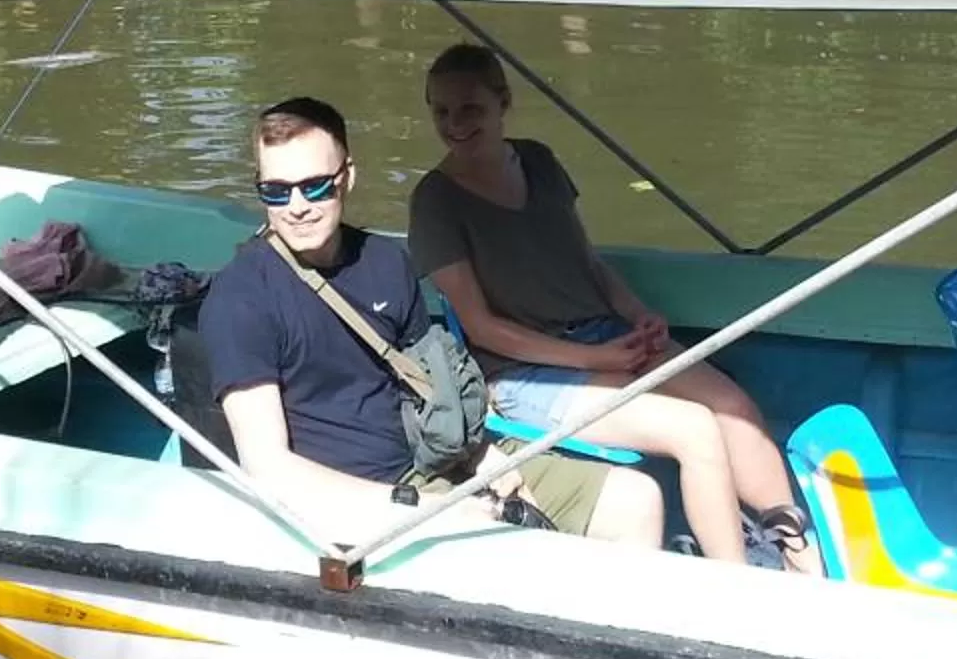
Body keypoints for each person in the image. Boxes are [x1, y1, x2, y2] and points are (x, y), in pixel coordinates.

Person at [410, 44, 819, 573]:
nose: (455, 124)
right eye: (440, 111)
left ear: (503, 103)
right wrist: (594, 360)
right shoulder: (435, 200)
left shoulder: (536, 159)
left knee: (733, 407)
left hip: (603, 336)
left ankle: (803, 561)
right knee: (694, 430)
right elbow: (480, 327)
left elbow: (585, 261)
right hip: (523, 376)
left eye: (470, 109)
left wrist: (637, 313)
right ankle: (737, 589)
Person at [201, 96, 658, 545]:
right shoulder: (241, 297)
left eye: (315, 185)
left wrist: (482, 456)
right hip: (353, 503)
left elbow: (428, 388)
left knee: (637, 500)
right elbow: (270, 470)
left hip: (433, 460)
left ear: (348, 178)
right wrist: (426, 509)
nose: (296, 205)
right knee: (489, 537)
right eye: (276, 191)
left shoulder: (384, 262)